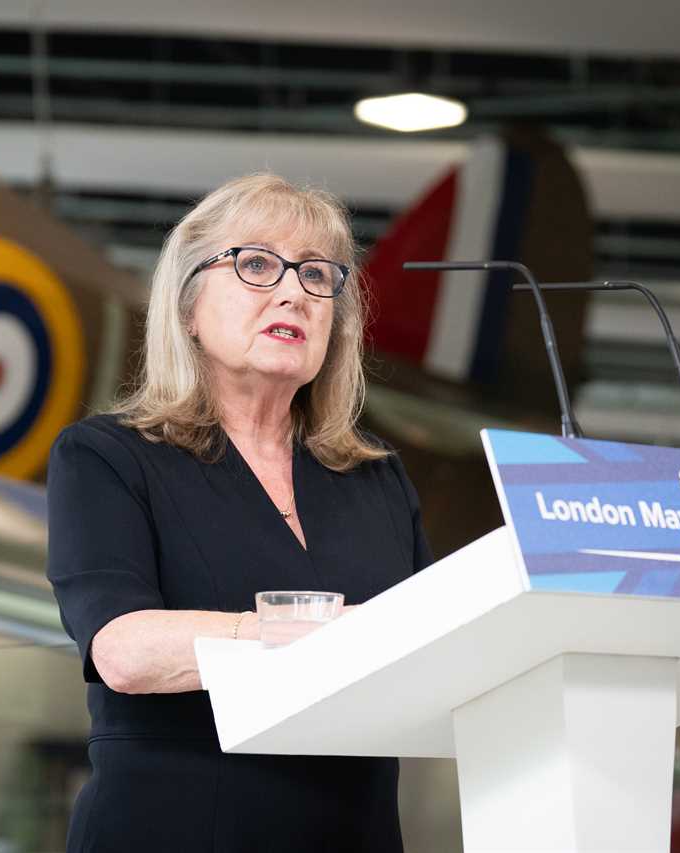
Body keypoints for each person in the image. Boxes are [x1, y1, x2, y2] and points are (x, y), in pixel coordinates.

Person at [46, 173, 433, 852]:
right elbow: (123, 650)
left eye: (318, 276)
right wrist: (309, 631)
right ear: (188, 307)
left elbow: (435, 657)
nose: (294, 292)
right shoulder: (107, 458)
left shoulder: (378, 481)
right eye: (256, 264)